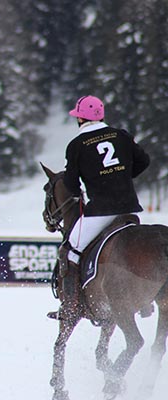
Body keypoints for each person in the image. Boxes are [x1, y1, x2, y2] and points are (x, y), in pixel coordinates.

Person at [49, 95, 149, 320]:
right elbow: (144, 161)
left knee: (69, 250)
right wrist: (122, 176)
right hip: (130, 209)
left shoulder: (77, 145)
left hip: (101, 212)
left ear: (80, 118)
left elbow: (71, 185)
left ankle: (71, 305)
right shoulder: (122, 135)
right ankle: (144, 302)